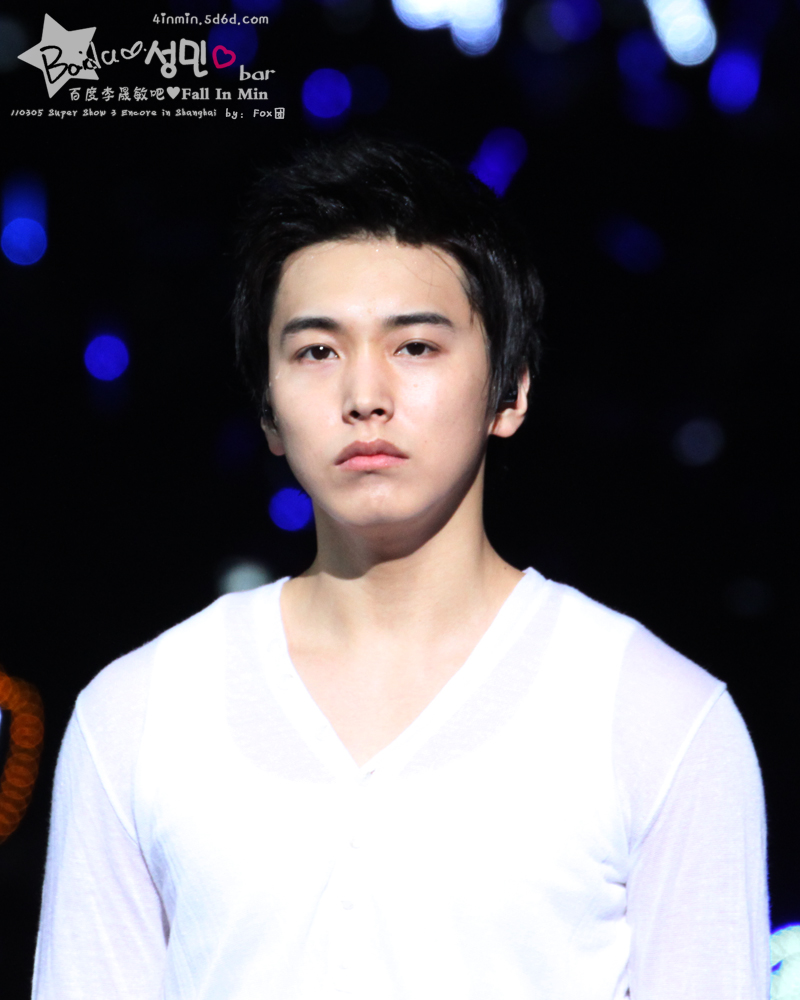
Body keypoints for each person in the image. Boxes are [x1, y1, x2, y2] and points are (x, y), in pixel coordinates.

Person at [32, 136, 770, 999]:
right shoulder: (138, 716)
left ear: (511, 390)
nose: (364, 396)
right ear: (267, 411)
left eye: (415, 347)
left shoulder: (659, 719)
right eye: (317, 352)